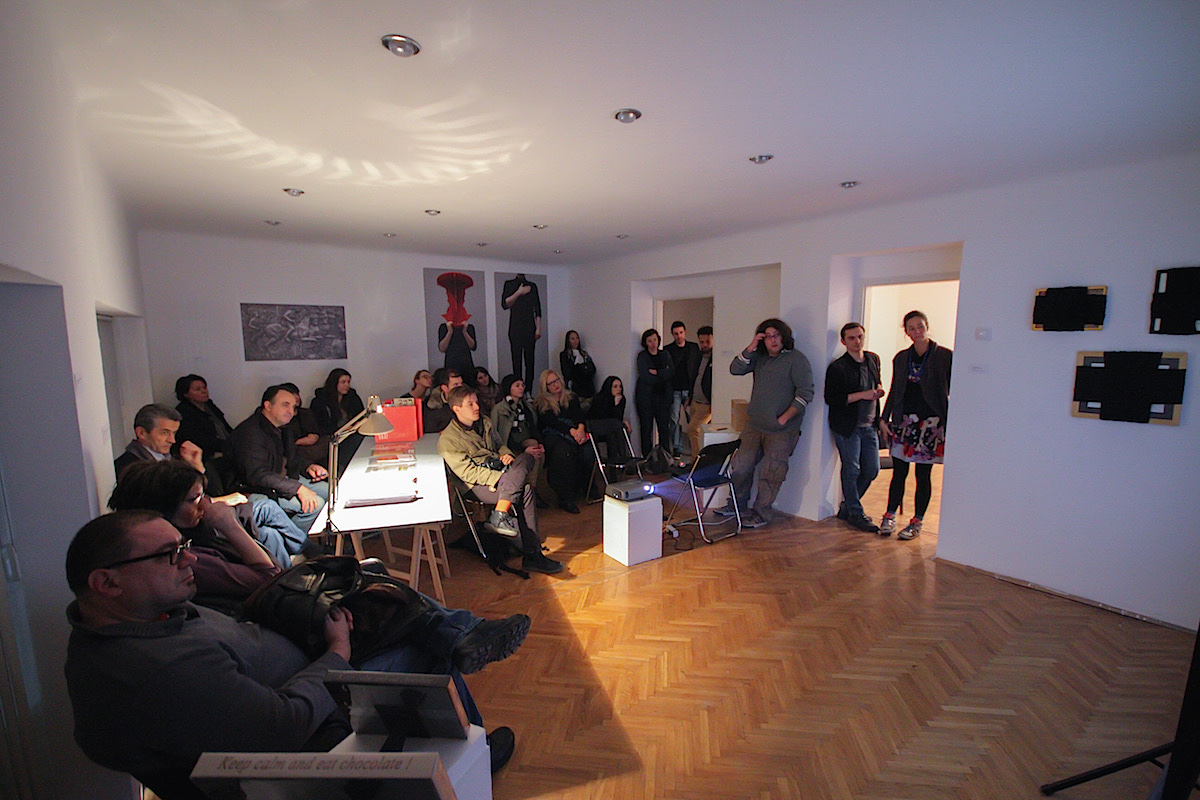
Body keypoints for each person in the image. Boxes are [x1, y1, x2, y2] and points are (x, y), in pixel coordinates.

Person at [63, 510, 530, 797]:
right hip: (318, 716)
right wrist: (337, 650)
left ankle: (461, 644)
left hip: (310, 665)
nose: (190, 560)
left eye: (184, 547)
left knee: (373, 587)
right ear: (106, 583)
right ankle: (475, 753)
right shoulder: (156, 671)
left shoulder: (148, 618)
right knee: (419, 642)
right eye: (170, 555)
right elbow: (284, 725)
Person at [114, 402, 314, 565]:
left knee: (270, 534)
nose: (172, 440)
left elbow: (200, 493)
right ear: (141, 433)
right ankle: (312, 553)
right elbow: (174, 508)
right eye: (165, 433)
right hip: (196, 526)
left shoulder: (168, 457)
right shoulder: (131, 468)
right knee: (268, 508)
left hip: (204, 516)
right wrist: (220, 501)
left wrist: (198, 467)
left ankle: (285, 583)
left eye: (174, 433)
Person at [107, 459, 282, 613]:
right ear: (164, 507)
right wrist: (231, 527)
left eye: (203, 496)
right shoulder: (190, 558)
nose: (205, 504)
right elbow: (269, 579)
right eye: (193, 499)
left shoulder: (195, 534)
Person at [439, 385, 564, 574]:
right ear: (456, 409)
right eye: (470, 404)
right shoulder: (448, 439)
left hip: (501, 471)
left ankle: (499, 515)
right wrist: (503, 478)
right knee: (525, 490)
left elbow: (500, 445)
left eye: (476, 402)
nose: (477, 407)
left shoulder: (485, 422)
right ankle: (533, 556)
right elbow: (468, 474)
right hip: (474, 485)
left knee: (527, 457)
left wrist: (506, 455)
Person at [718, 318, 814, 528]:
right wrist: (752, 346)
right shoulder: (759, 358)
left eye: (776, 335)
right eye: (768, 336)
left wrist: (783, 419)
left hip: (782, 431)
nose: (773, 340)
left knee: (772, 473)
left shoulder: (796, 359)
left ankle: (761, 513)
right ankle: (736, 505)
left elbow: (805, 393)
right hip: (754, 425)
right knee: (740, 467)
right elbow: (735, 369)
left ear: (784, 336)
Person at [878, 310, 952, 540]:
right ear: (906, 332)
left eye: (920, 326)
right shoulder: (901, 358)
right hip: (904, 422)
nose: (917, 331)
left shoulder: (945, 356)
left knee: (923, 474)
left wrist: (950, 423)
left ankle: (917, 521)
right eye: (911, 328)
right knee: (899, 472)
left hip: (931, 424)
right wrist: (884, 418)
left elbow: (953, 391)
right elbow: (895, 389)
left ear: (927, 326)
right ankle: (889, 515)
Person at [230, 385, 329, 537]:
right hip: (255, 488)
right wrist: (298, 489)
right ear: (268, 406)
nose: (291, 411)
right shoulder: (250, 432)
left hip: (281, 480)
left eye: (293, 407)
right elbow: (257, 475)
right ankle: (292, 545)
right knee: (315, 506)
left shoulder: (283, 427)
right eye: (285, 405)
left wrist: (309, 466)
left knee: (331, 493)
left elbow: (294, 456)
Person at [824, 322, 885, 534]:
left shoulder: (873, 359)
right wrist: (863, 395)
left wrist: (877, 391)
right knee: (851, 470)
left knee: (872, 469)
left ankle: (848, 506)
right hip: (848, 426)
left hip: (870, 425)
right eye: (852, 338)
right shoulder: (838, 367)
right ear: (843, 341)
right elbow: (833, 398)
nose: (857, 341)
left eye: (860, 336)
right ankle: (856, 513)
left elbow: (876, 382)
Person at [533, 369, 593, 514]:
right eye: (551, 383)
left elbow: (579, 417)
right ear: (545, 387)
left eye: (556, 380)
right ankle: (565, 497)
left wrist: (580, 429)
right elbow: (552, 422)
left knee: (587, 450)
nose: (555, 385)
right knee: (564, 452)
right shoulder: (541, 403)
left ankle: (587, 487)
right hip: (552, 435)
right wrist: (572, 431)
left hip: (574, 432)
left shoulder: (571, 397)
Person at [173, 374, 236, 491]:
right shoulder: (183, 412)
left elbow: (224, 426)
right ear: (186, 394)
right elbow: (201, 440)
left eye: (204, 387)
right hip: (206, 456)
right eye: (197, 389)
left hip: (224, 448)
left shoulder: (209, 406)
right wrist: (229, 446)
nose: (204, 391)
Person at [489, 374, 546, 502]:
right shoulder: (499, 409)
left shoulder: (526, 407)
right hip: (507, 445)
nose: (521, 388)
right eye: (517, 385)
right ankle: (529, 491)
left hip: (525, 441)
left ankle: (531, 488)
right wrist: (521, 449)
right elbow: (496, 434)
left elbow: (533, 427)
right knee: (533, 450)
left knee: (537, 450)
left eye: (522, 385)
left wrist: (540, 443)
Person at [634, 328, 674, 458]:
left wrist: (657, 372)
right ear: (645, 343)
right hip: (646, 399)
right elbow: (645, 376)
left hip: (663, 398)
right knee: (646, 429)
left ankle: (665, 456)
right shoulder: (642, 356)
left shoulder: (665, 354)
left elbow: (671, 372)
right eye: (650, 341)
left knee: (664, 429)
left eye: (655, 340)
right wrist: (663, 373)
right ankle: (647, 458)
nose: (653, 343)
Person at [663, 321, 701, 458]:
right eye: (676, 333)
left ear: (685, 332)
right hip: (674, 389)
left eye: (681, 333)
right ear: (672, 334)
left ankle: (694, 447)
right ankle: (677, 448)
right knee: (674, 419)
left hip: (689, 389)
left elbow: (697, 368)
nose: (679, 336)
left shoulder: (693, 348)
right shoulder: (667, 349)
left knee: (693, 421)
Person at [501, 274, 542, 388]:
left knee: (530, 361)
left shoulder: (532, 286)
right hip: (515, 327)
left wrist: (539, 328)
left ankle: (528, 389)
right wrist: (519, 292)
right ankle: (518, 388)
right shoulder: (509, 284)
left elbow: (537, 308)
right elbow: (505, 304)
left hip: (529, 326)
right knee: (516, 361)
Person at [587, 375, 634, 463]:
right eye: (615, 387)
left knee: (614, 434)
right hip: (596, 426)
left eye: (620, 386)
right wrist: (615, 405)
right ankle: (623, 458)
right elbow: (602, 416)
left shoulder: (621, 399)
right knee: (618, 426)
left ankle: (618, 461)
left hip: (611, 428)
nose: (619, 389)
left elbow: (617, 417)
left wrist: (617, 406)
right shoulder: (599, 398)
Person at [685, 326, 715, 458]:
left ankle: (696, 462)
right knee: (696, 433)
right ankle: (698, 459)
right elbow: (694, 377)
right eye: (702, 342)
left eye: (707, 341)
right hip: (695, 401)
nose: (704, 345)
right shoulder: (698, 356)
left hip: (706, 404)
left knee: (693, 429)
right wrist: (689, 397)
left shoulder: (716, 359)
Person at [309, 368, 365, 435]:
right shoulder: (319, 401)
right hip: (331, 435)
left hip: (352, 433)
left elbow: (361, 415)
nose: (347, 385)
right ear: (334, 383)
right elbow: (320, 426)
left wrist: (358, 424)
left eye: (348, 382)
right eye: (343, 382)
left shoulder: (353, 397)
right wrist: (342, 429)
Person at [422, 367, 463, 433]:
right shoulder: (431, 408)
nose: (461, 388)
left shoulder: (471, 400)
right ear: (445, 388)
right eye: (456, 385)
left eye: (461, 384)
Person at [558, 330, 597, 398]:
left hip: (587, 388)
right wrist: (580, 369)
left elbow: (592, 369)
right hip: (574, 389)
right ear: (568, 341)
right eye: (572, 339)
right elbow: (567, 373)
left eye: (577, 338)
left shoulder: (584, 353)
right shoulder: (565, 355)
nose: (576, 341)